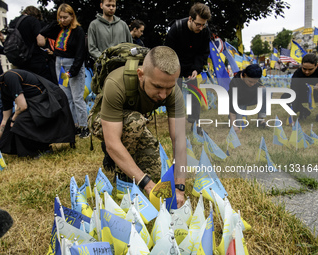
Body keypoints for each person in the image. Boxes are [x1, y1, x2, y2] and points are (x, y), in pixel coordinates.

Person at [89, 46, 187, 207]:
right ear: (140, 75)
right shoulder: (116, 82)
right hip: (102, 120)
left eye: (169, 88)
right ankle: (121, 177)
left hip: (134, 122)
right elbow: (112, 143)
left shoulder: (173, 91)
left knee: (154, 171)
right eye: (157, 87)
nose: (163, 95)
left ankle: (126, 158)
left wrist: (179, 188)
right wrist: (147, 185)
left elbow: (179, 140)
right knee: (135, 122)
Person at [0, 69, 76, 157]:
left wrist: (13, 120)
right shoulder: (3, 89)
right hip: (39, 104)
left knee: (19, 121)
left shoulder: (9, 77)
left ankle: (42, 149)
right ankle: (19, 150)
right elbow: (5, 119)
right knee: (13, 121)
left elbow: (22, 105)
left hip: (51, 101)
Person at [38, 3, 89, 138]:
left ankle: (85, 126)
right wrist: (56, 23)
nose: (63, 20)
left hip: (72, 66)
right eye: (60, 17)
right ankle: (75, 125)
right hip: (60, 65)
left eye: (66, 17)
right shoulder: (58, 29)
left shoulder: (78, 31)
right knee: (67, 97)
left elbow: (80, 53)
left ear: (72, 16)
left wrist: (73, 71)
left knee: (77, 97)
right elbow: (44, 32)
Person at [165, 3, 211, 135]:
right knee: (175, 97)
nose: (201, 28)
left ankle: (195, 124)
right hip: (176, 65)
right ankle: (176, 126)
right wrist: (174, 70)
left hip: (192, 66)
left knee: (195, 96)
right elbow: (168, 51)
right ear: (190, 19)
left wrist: (197, 68)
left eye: (204, 24)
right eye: (198, 24)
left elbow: (203, 52)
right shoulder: (176, 28)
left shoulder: (204, 31)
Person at [9, 6, 50, 80]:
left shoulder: (13, 22)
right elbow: (41, 42)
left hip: (18, 59)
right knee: (42, 83)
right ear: (36, 15)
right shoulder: (33, 20)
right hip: (34, 60)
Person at [285, 53, 318, 122]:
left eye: (310, 69)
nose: (307, 72)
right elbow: (293, 92)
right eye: (304, 69)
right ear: (301, 65)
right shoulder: (297, 74)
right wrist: (290, 117)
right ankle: (303, 111)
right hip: (304, 94)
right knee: (286, 96)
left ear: (316, 65)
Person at [228, 64, 266, 133]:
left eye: (255, 82)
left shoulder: (255, 76)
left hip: (250, 97)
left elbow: (261, 87)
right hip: (239, 103)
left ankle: (260, 120)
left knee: (265, 91)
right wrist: (233, 125)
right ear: (244, 75)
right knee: (240, 125)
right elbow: (232, 105)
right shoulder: (235, 83)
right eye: (250, 82)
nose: (252, 84)